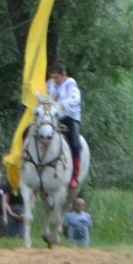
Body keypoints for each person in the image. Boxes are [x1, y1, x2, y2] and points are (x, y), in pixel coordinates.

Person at [47, 60, 83, 190]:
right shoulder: (51, 85)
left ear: (63, 74)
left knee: (74, 143)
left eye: (57, 77)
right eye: (53, 77)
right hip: (54, 116)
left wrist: (61, 105)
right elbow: (46, 97)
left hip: (70, 117)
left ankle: (74, 174)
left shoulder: (70, 84)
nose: (55, 80)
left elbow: (75, 99)